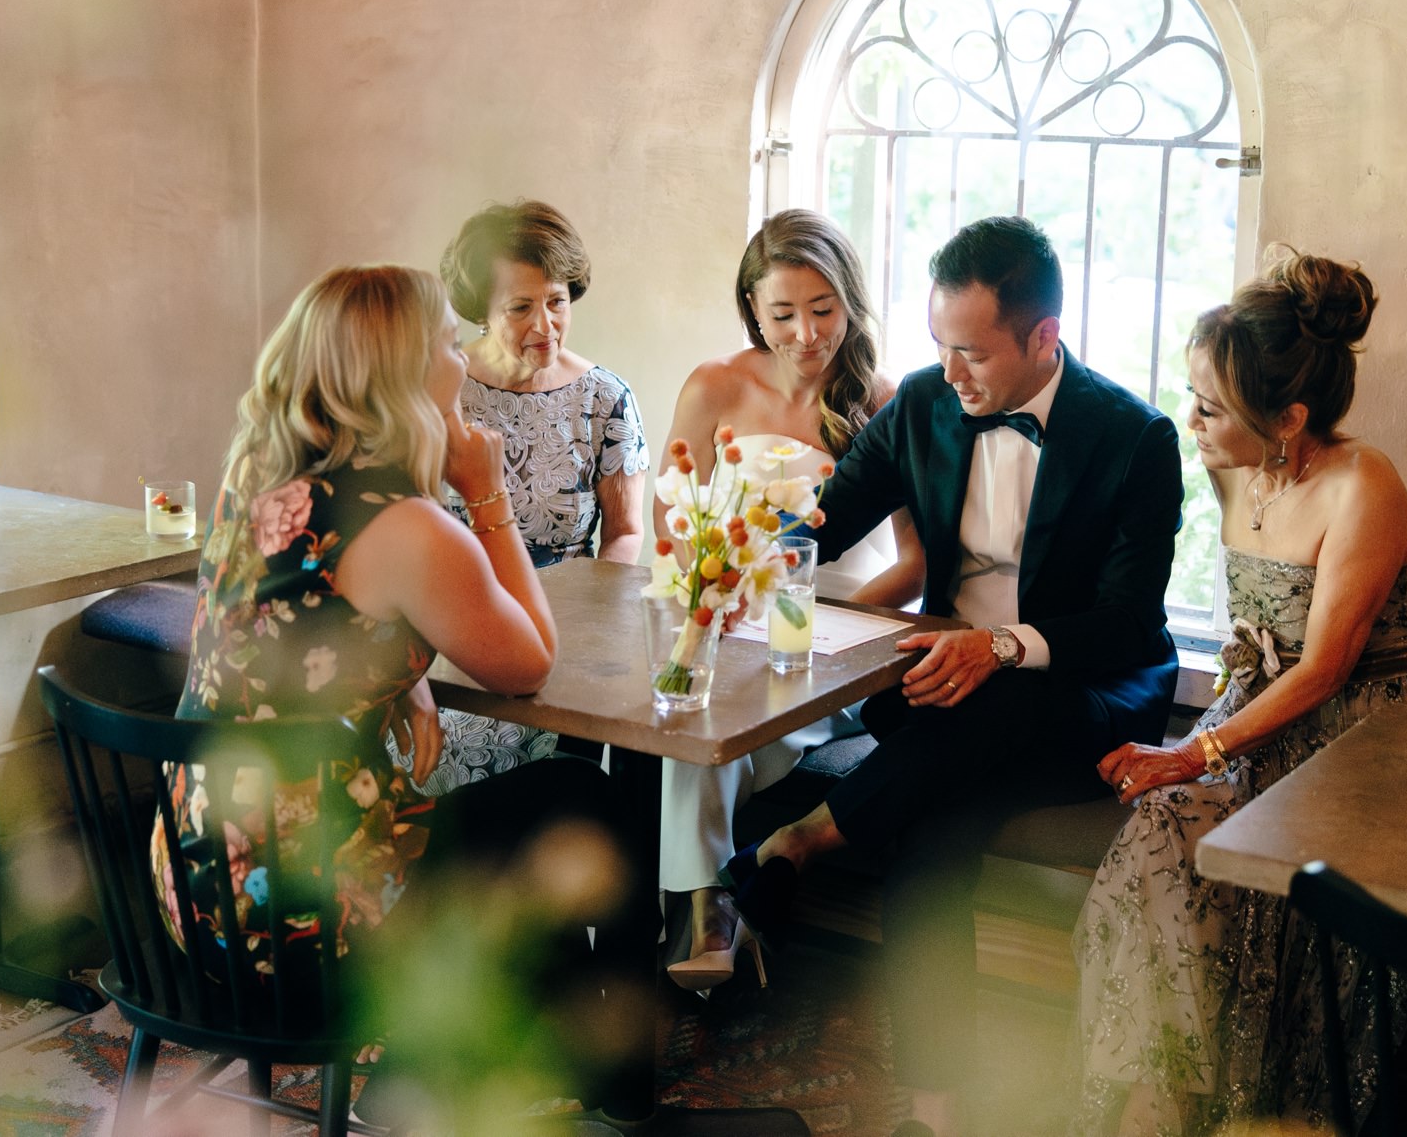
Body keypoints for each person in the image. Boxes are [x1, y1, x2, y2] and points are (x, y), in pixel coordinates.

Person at [721, 216, 1184, 1136]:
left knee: (983, 725)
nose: (950, 370)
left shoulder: (1135, 436)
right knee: (935, 827)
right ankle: (939, 1112)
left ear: (1043, 337)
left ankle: (807, 839)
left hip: (1079, 694)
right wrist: (733, 563)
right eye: (938, 344)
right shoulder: (926, 404)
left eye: (970, 351)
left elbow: (1127, 624)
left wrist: (1002, 646)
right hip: (944, 701)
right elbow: (828, 518)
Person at [150, 265, 641, 1117]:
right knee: (578, 794)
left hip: (198, 887)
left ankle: (493, 1052)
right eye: (448, 341)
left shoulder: (261, 478)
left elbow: (297, 622)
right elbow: (529, 661)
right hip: (310, 912)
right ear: (405, 373)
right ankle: (600, 1081)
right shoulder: (409, 527)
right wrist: (486, 492)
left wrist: (400, 671)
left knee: (518, 819)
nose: (461, 354)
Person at [1072, 248, 1407, 1137]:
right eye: (1194, 395)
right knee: (1155, 838)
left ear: (1288, 417)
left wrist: (1192, 751)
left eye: (1211, 406)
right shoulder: (1229, 463)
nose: (1192, 419)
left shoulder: (1366, 486)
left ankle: (1205, 1110)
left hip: (1368, 739)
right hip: (1256, 714)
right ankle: (1154, 1103)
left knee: (1237, 870)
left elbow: (1325, 670)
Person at [655, 209, 923, 990]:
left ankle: (697, 921)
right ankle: (709, 915)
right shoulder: (713, 385)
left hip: (842, 638)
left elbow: (915, 565)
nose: (807, 334)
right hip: (725, 620)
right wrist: (710, 607)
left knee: (713, 728)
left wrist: (827, 628)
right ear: (752, 307)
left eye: (823, 310)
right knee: (689, 722)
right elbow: (671, 532)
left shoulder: (883, 397)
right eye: (783, 314)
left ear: (850, 304)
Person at [414, 200, 649, 794]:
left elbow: (624, 533)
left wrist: (587, 619)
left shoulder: (606, 396)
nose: (544, 325)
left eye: (557, 302)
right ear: (480, 311)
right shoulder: (438, 392)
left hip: (563, 636)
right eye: (520, 307)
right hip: (449, 632)